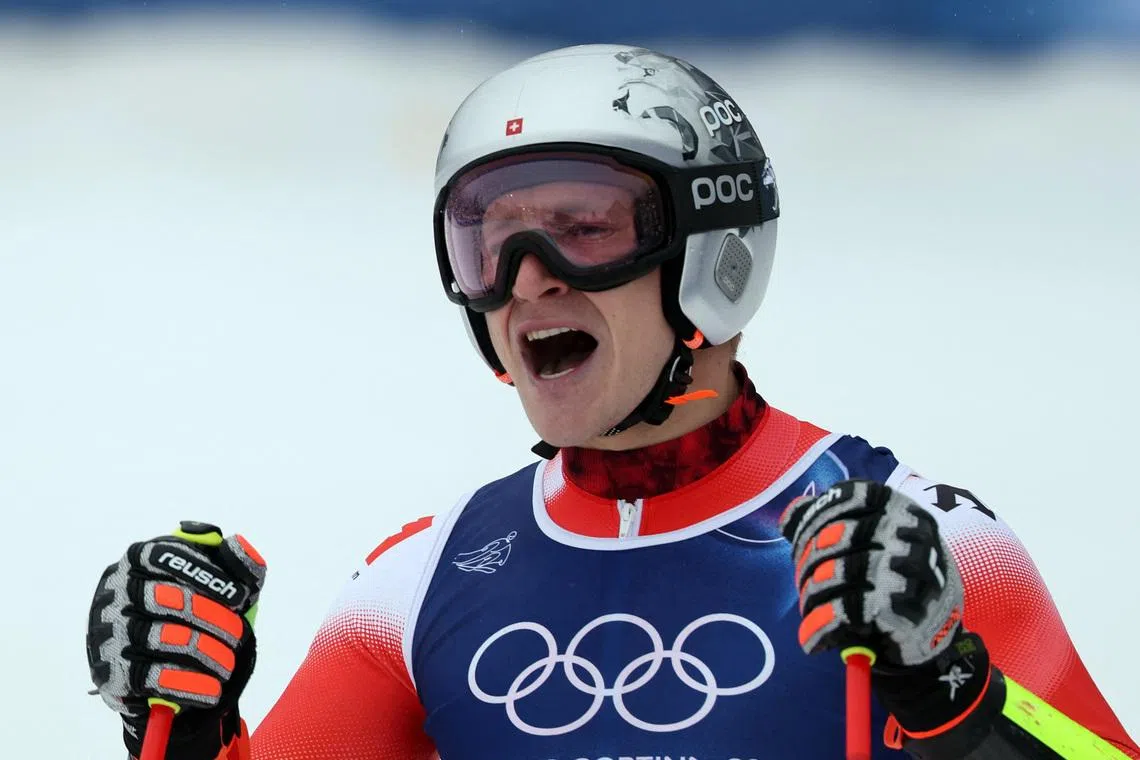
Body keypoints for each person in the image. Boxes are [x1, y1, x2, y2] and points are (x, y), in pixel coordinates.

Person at [87, 44, 1137, 759]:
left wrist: (950, 687)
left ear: (713, 254)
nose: (528, 277)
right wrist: (181, 718)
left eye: (584, 227)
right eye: (487, 239)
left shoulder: (916, 543)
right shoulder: (415, 581)